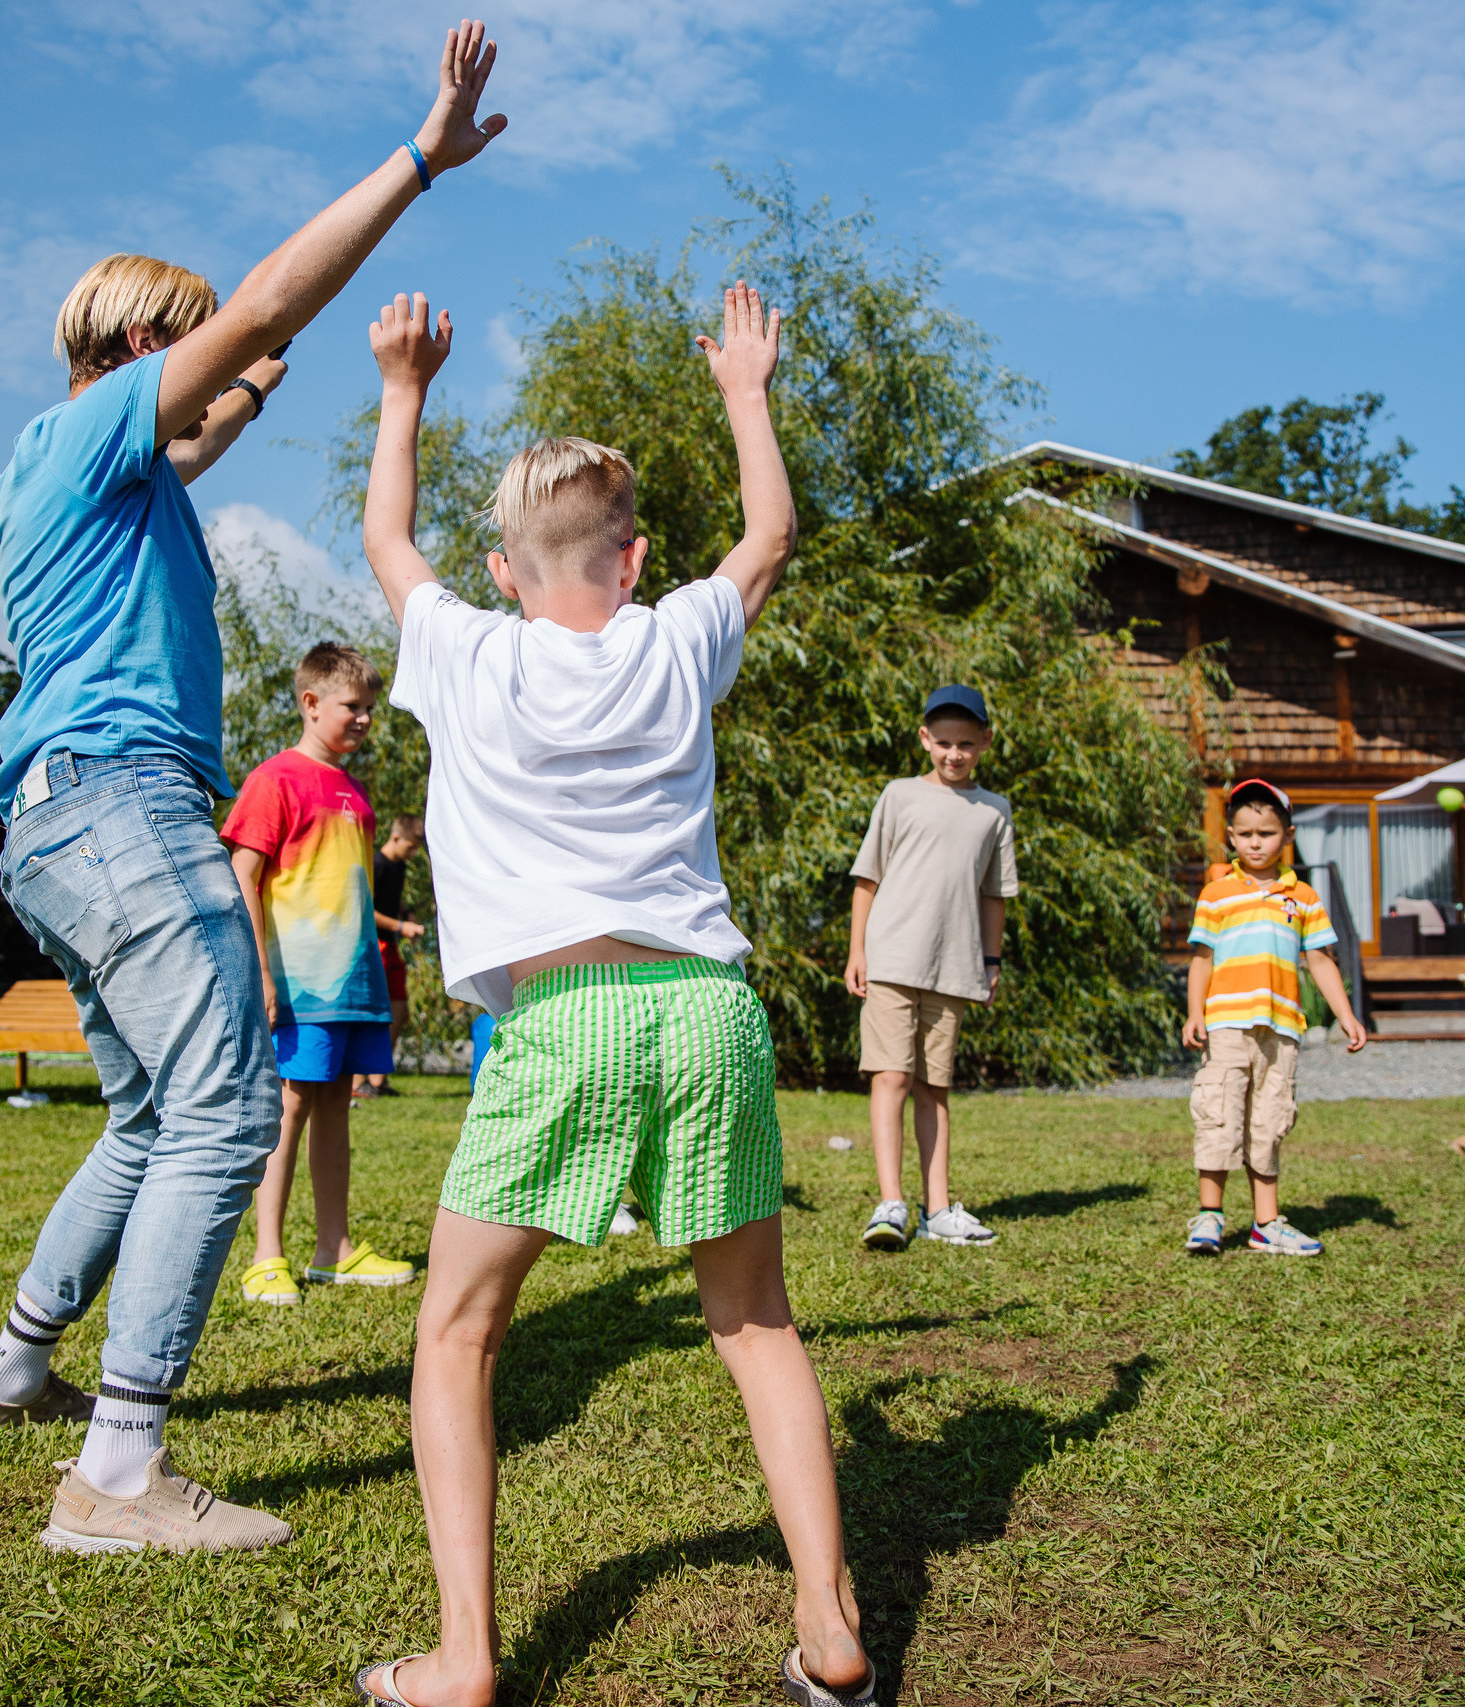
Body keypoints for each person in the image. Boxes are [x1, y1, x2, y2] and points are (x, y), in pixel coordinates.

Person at [0, 25, 507, 1557]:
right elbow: (257, 302)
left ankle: (13, 1371)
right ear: (130, 354)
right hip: (123, 806)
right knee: (226, 1104)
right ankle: (118, 1475)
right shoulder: (87, 429)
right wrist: (417, 164)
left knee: (141, 1113)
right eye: (182, 359)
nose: (209, 384)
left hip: (59, 821)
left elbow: (234, 382)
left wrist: (280, 372)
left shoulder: (82, 473)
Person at [350, 283, 874, 1707]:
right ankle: (832, 1628)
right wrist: (746, 393)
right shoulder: (677, 637)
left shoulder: (463, 651)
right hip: (707, 1005)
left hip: (567, 1016)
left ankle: (465, 1656)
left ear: (508, 571)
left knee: (459, 1333)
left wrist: (404, 386)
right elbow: (768, 535)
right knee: (756, 1320)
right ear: (634, 560)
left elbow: (388, 538)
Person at [225, 643, 418, 1305]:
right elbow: (243, 877)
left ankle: (332, 1249)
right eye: (351, 706)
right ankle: (266, 1254)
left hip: (356, 981)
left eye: (370, 708)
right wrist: (262, 975)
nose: (364, 719)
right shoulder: (275, 779)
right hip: (301, 983)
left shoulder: (356, 793)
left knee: (338, 1103)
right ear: (310, 704)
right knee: (292, 1104)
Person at [842, 686, 1016, 1252]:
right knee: (890, 1077)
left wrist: (990, 961)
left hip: (955, 966)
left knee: (933, 1086)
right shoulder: (898, 796)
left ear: (985, 742)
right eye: (943, 743)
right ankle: (890, 1203)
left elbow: (996, 895)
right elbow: (867, 877)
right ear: (925, 740)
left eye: (966, 744)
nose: (954, 754)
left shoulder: (995, 810)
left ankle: (938, 1207)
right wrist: (857, 951)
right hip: (891, 959)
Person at [1180, 778, 1365, 1258]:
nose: (1254, 842)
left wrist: (1345, 1013)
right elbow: (1201, 957)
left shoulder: (1302, 896)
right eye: (1244, 834)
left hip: (1281, 1029)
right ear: (1232, 838)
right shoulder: (1217, 893)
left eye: (1265, 833)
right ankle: (1210, 1217)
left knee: (1269, 1119)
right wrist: (1193, 1013)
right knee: (1219, 1114)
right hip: (1226, 1023)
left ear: (1287, 835)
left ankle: (1266, 1224)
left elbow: (1321, 960)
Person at [357, 813, 428, 1099]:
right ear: (396, 837)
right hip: (372, 946)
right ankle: (357, 1081)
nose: (412, 854)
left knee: (398, 1010)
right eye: (410, 847)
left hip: (391, 946)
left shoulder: (398, 866)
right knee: (370, 1013)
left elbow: (389, 898)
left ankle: (377, 1080)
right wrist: (402, 926)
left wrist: (405, 911)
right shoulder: (376, 864)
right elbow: (365, 909)